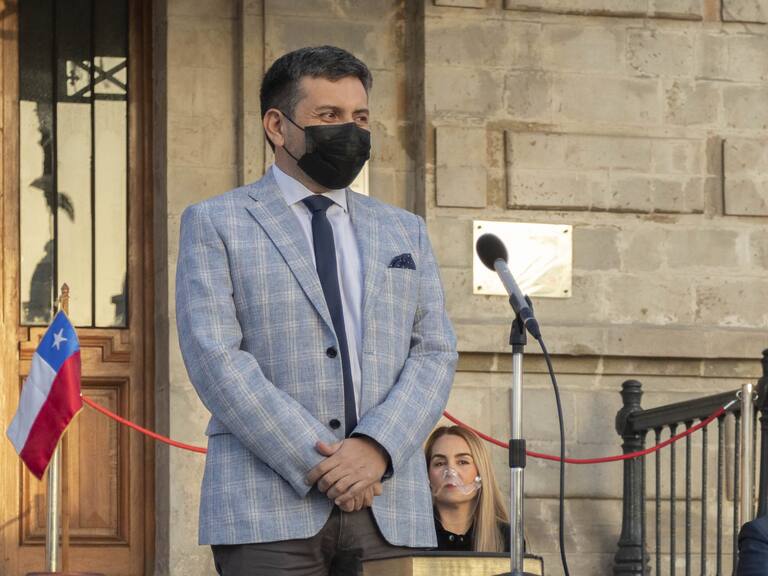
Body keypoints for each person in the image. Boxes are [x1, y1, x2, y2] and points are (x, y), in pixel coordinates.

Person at [175, 45, 457, 576]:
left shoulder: (405, 231)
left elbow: (435, 351)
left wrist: (376, 447)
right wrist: (322, 462)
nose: (349, 130)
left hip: (388, 507)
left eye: (360, 117)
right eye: (329, 116)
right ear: (278, 126)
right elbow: (215, 358)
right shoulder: (216, 222)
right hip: (267, 506)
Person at [425, 425, 510, 552]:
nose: (450, 472)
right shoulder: (412, 535)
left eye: (462, 462)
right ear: (427, 474)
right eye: (440, 463)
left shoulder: (507, 537)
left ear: (480, 473)